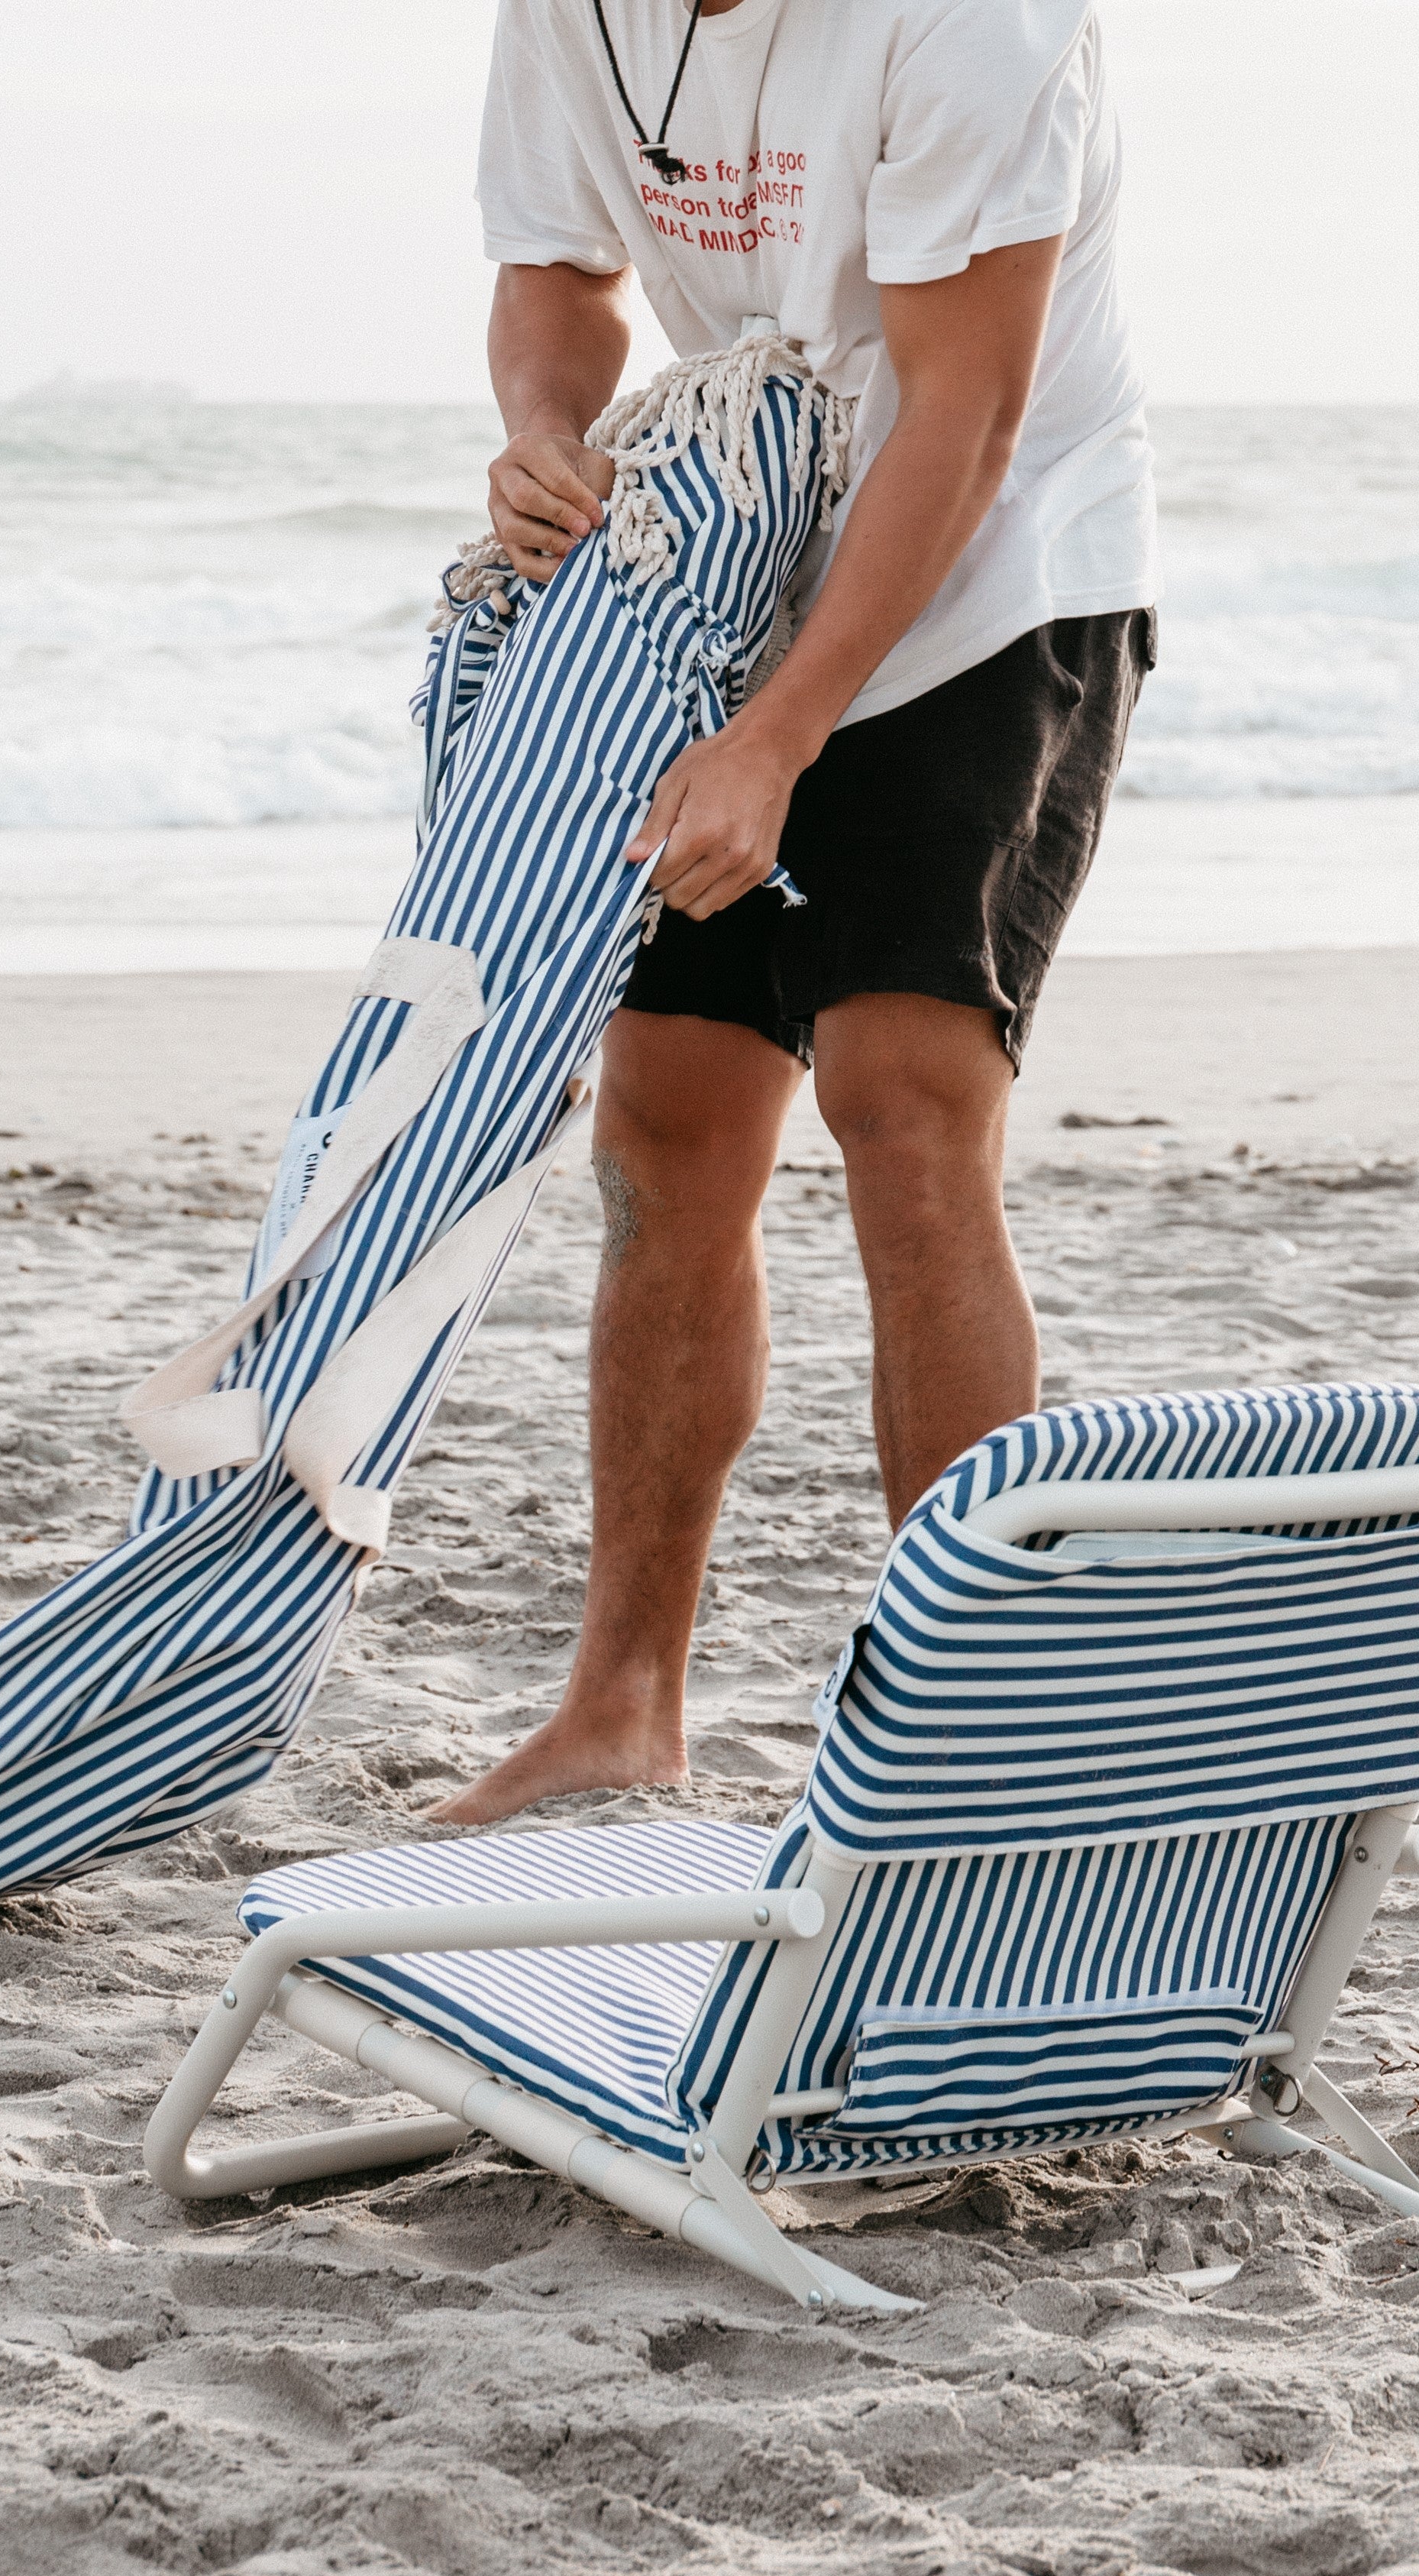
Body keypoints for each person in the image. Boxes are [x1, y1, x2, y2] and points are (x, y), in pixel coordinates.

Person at [434, 0, 1160, 1825]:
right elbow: (558, 268)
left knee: (901, 1105)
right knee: (669, 1123)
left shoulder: (975, 23)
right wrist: (544, 431)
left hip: (996, 578)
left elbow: (966, 409)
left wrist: (777, 742)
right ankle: (622, 1708)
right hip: (726, 561)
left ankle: (975, 1746)